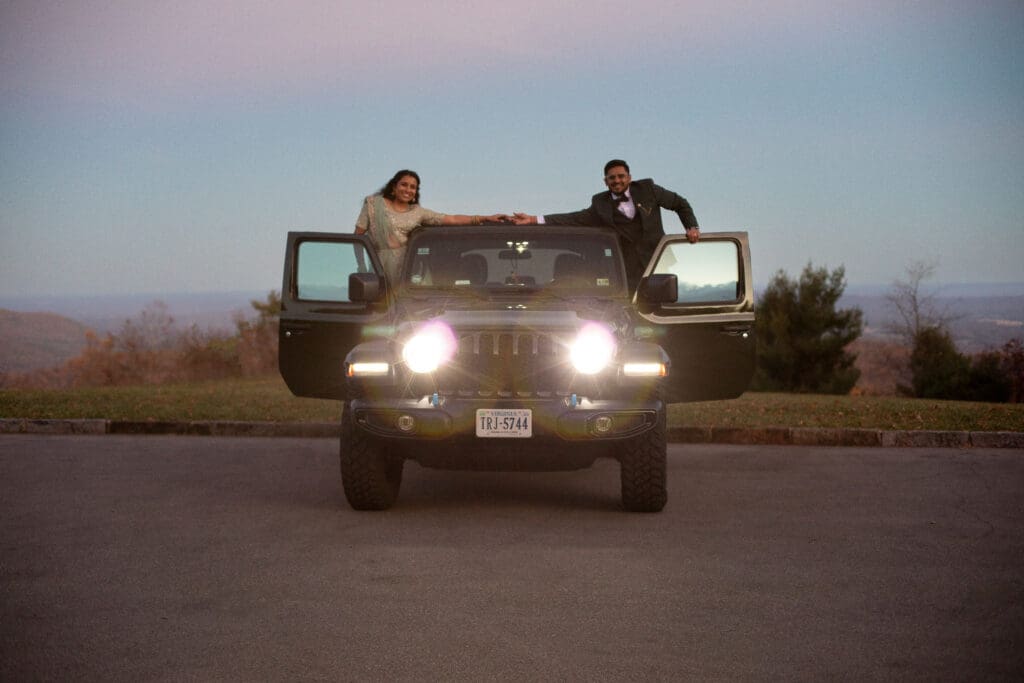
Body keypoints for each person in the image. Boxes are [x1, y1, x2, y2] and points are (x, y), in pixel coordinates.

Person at [513, 159, 699, 292]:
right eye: (612, 178)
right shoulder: (600, 203)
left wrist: (691, 227)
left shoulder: (648, 189)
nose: (617, 181)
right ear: (605, 181)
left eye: (621, 176)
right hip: (625, 268)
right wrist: (533, 219)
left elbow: (680, 204)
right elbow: (574, 218)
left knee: (662, 301)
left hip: (657, 260)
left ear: (629, 177)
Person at [355, 169, 508, 282]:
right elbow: (358, 238)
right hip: (378, 267)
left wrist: (483, 218)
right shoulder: (373, 205)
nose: (408, 190)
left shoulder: (418, 213)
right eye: (404, 185)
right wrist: (362, 268)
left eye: (413, 187)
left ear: (416, 192)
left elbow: (452, 219)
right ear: (394, 187)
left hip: (407, 269)